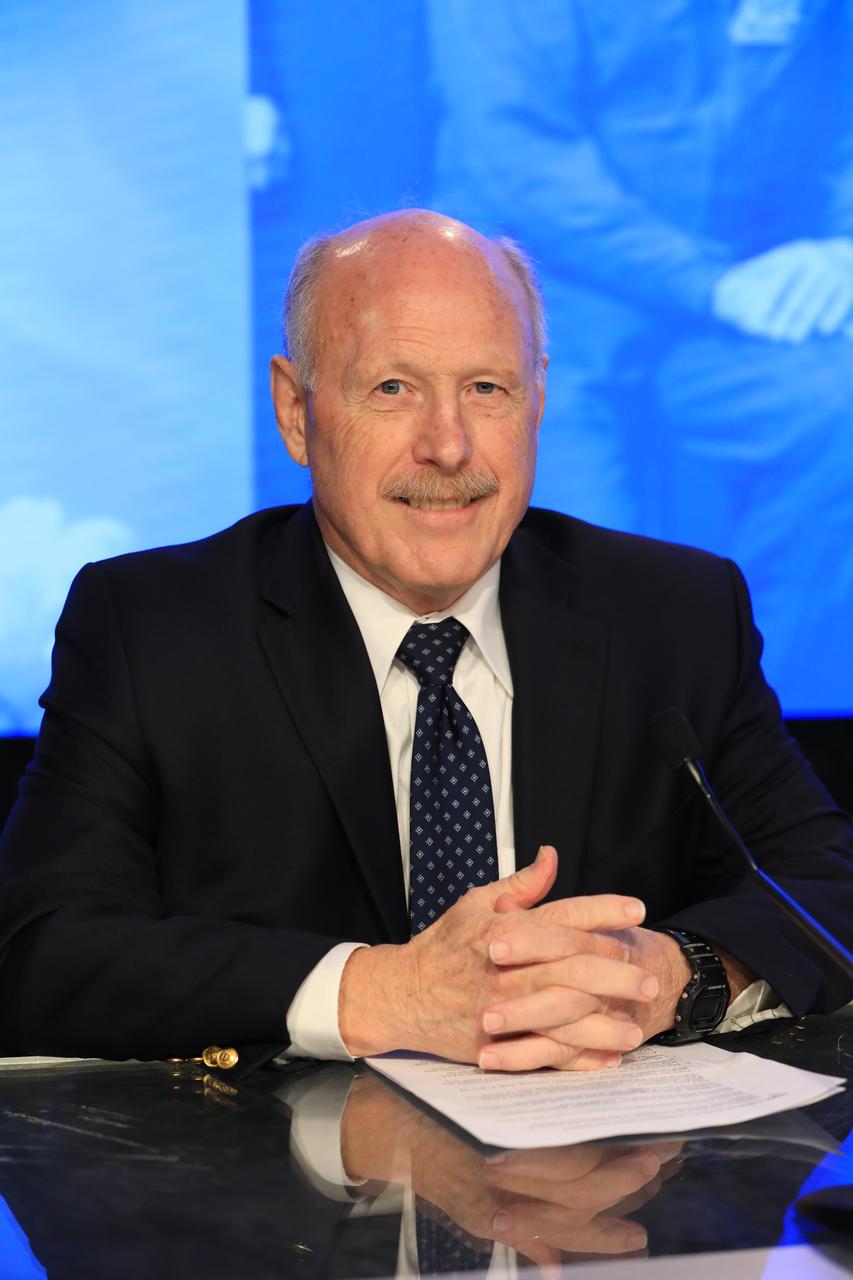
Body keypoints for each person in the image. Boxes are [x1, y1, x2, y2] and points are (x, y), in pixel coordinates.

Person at [0, 210, 850, 1079]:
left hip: (610, 1185)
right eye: (392, 389)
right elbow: (43, 952)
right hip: (272, 1196)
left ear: (538, 400)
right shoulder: (153, 627)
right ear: (297, 413)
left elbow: (827, 889)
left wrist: (673, 975)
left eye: (486, 389)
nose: (447, 447)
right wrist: (380, 992)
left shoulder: (672, 612)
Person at [428, 0, 853, 705]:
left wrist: (841, 250)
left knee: (837, 409)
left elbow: (838, 120)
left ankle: (754, 716)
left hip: (719, 305)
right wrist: (710, 284)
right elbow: (521, 164)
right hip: (536, 308)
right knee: (584, 591)